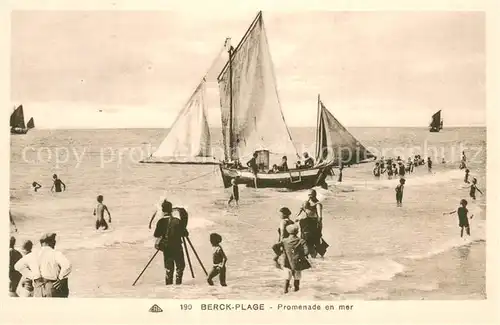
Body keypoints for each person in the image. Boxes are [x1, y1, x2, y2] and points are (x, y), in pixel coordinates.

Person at [15, 233, 72, 298]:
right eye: (54, 241)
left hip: (38, 287)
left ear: (41, 243)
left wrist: (33, 276)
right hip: (53, 287)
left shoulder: (33, 254)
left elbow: (18, 266)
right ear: (53, 242)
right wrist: (61, 278)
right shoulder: (56, 254)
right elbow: (67, 265)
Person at [153, 200, 187, 285]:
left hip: (167, 248)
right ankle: (178, 285)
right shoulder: (177, 220)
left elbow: (156, 234)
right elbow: (185, 233)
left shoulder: (161, 221)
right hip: (177, 247)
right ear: (171, 210)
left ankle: (169, 287)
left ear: (163, 210)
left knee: (169, 269)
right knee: (180, 267)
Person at [273, 224, 310, 294]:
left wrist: (279, 253)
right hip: (297, 262)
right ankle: (296, 293)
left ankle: (285, 292)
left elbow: (274, 246)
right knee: (297, 279)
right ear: (297, 231)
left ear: (288, 231)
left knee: (287, 278)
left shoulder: (284, 241)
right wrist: (301, 254)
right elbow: (307, 251)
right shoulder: (301, 241)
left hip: (287, 262)